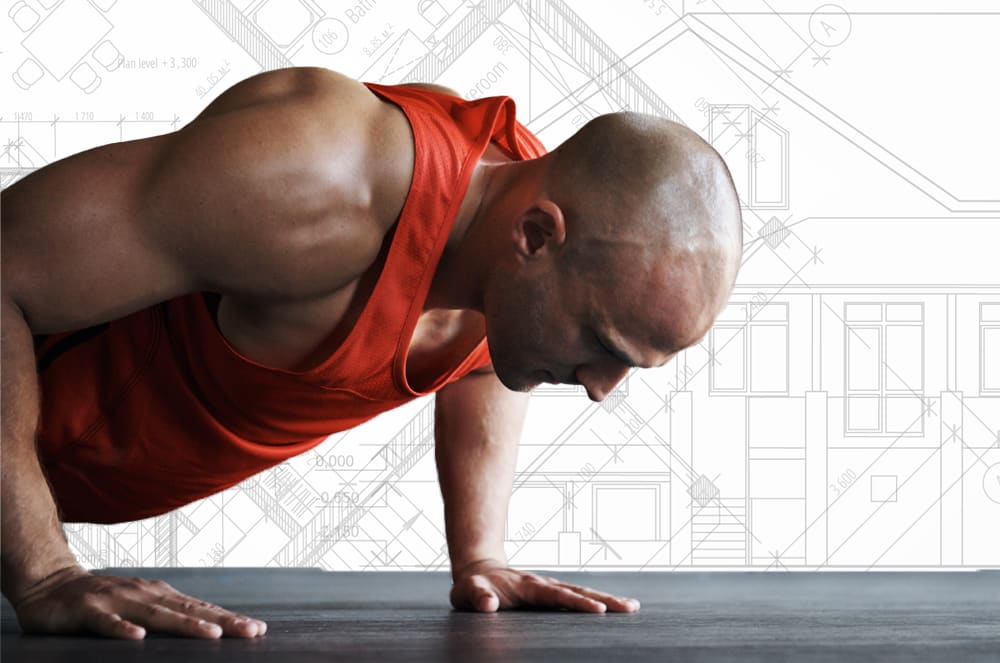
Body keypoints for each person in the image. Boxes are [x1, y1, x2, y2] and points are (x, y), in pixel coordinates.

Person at [1, 66, 742, 640]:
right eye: (602, 345)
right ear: (535, 238)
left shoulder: (517, 231)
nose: (599, 388)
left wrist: (479, 556)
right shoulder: (317, 177)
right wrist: (43, 572)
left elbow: (488, 352)